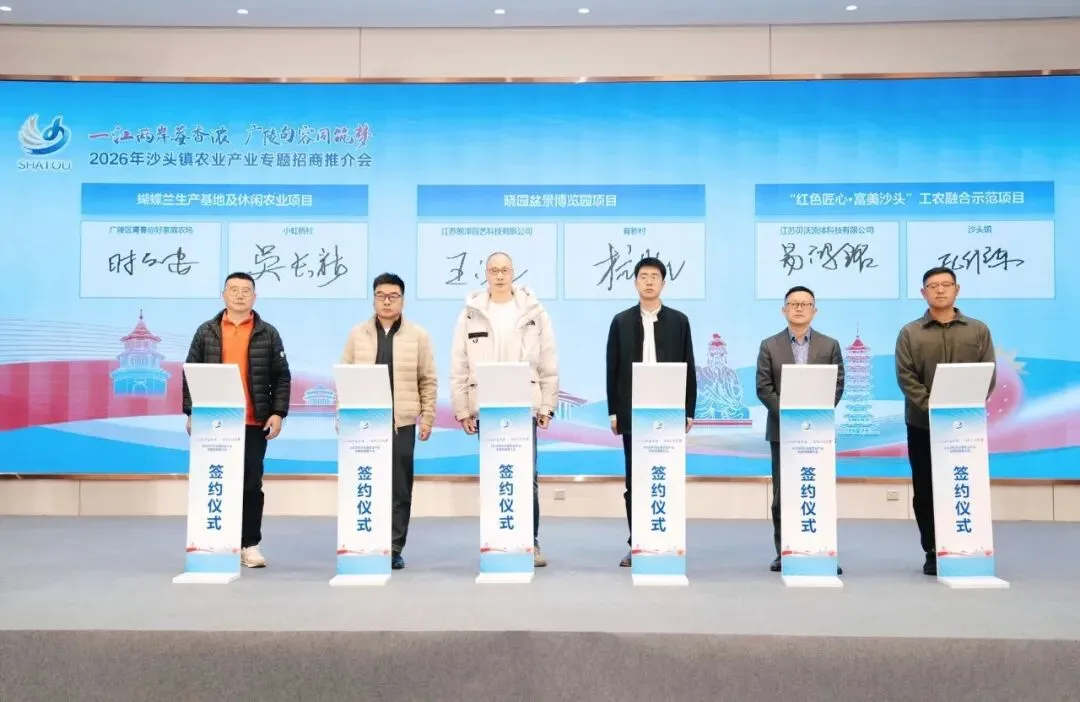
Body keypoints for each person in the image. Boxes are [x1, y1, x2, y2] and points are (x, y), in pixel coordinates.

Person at [450, 252, 558, 568]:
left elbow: (548, 360)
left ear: (513, 273)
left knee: (528, 476)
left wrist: (547, 405)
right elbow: (459, 363)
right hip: (487, 406)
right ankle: (496, 540)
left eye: (505, 270)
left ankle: (530, 542)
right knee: (493, 475)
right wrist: (463, 409)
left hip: (524, 405)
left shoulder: (534, 311)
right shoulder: (471, 313)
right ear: (486, 274)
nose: (499, 275)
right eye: (494, 270)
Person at [182, 271, 291, 569]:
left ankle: (249, 544)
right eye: (234, 289)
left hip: (253, 421)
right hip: (213, 422)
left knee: (250, 484)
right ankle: (214, 541)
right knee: (214, 480)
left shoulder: (268, 333)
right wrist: (191, 412)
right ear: (223, 295)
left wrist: (278, 412)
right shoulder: (206, 331)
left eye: (246, 290)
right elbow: (190, 373)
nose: (240, 295)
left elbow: (282, 377)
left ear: (254, 297)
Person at [895, 266, 996, 576]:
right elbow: (906, 377)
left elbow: (988, 373)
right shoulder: (910, 333)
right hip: (922, 425)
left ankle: (969, 544)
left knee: (965, 483)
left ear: (957, 289)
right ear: (923, 292)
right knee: (926, 489)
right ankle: (933, 549)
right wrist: (935, 409)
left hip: (965, 427)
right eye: (933, 286)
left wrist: (961, 410)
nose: (940, 290)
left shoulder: (977, 330)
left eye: (946, 285)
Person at [340, 273, 438, 570]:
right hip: (364, 423)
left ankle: (394, 546)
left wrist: (427, 417)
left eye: (393, 296)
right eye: (381, 295)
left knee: (399, 488)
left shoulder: (418, 335)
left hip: (401, 422)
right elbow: (344, 375)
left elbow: (428, 379)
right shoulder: (357, 333)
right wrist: (341, 413)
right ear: (373, 299)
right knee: (365, 481)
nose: (386, 301)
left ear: (402, 300)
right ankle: (364, 541)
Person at [605, 257, 697, 568]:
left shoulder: (679, 321)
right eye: (643, 276)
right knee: (635, 481)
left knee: (666, 477)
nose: (648, 281)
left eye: (654, 276)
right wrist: (614, 412)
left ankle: (667, 540)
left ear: (663, 283)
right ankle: (638, 543)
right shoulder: (620, 321)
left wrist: (688, 410)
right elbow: (612, 368)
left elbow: (689, 366)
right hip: (632, 413)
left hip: (668, 413)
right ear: (635, 282)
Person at [754, 285, 845, 574]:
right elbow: (764, 387)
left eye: (805, 304)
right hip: (782, 431)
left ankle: (822, 549)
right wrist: (790, 416)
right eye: (793, 304)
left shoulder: (830, 345)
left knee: (818, 490)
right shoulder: (769, 345)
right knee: (784, 494)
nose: (799, 308)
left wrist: (814, 416)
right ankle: (785, 552)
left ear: (814, 310)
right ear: (784, 310)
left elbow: (837, 384)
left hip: (818, 433)